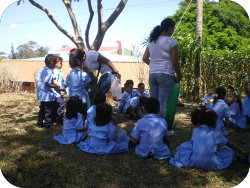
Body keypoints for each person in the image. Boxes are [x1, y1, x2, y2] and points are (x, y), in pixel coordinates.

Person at [169, 108, 248, 170]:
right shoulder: (216, 134)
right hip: (211, 164)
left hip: (194, 161)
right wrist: (242, 151)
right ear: (213, 122)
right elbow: (230, 144)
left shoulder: (195, 130)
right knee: (228, 151)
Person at [142, 18, 182, 118]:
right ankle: (161, 129)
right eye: (173, 29)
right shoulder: (172, 41)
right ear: (169, 28)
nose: (173, 31)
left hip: (152, 74)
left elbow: (145, 58)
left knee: (153, 103)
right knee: (162, 103)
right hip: (166, 74)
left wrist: (154, 64)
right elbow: (174, 62)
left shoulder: (152, 41)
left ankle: (150, 125)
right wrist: (180, 75)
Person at [35, 54, 59, 128]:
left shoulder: (42, 70)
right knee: (48, 110)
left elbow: (37, 79)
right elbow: (46, 83)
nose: (55, 65)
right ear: (52, 62)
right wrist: (55, 87)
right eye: (55, 63)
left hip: (41, 93)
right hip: (47, 94)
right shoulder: (49, 71)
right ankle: (48, 124)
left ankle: (39, 123)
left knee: (42, 108)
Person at [53, 56, 66, 124]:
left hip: (58, 92)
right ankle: (59, 118)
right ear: (56, 63)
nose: (61, 65)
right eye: (60, 63)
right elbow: (54, 81)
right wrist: (60, 89)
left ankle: (56, 118)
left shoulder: (59, 71)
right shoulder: (55, 71)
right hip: (56, 93)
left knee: (58, 105)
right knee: (62, 104)